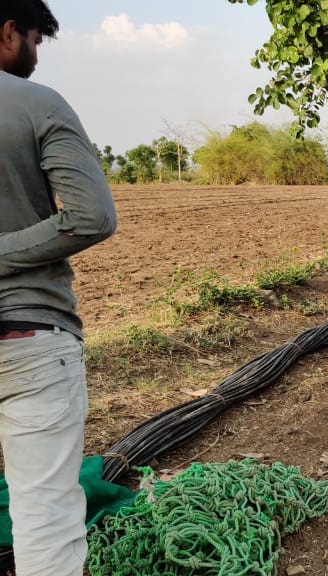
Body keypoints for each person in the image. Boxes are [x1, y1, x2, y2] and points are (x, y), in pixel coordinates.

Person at [1, 1, 118, 573]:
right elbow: (91, 217)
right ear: (7, 32)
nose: (34, 54)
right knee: (43, 514)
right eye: (34, 40)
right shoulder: (36, 103)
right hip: (27, 335)